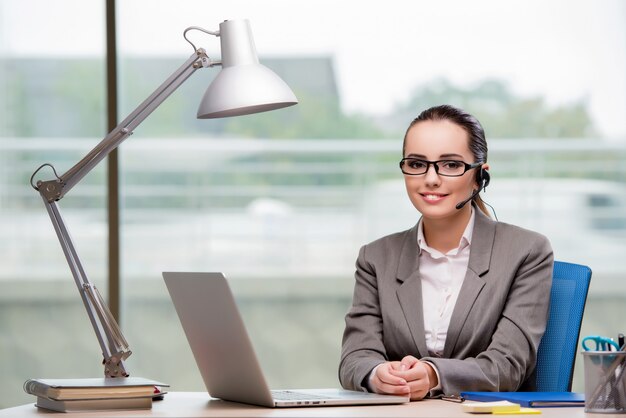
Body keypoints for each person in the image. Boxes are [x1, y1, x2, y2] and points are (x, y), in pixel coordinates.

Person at [338, 104, 553, 400]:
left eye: (451, 165)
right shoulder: (375, 258)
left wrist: (432, 374)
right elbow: (355, 357)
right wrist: (378, 375)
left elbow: (507, 365)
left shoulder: (526, 252)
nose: (430, 178)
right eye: (416, 164)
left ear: (480, 176)